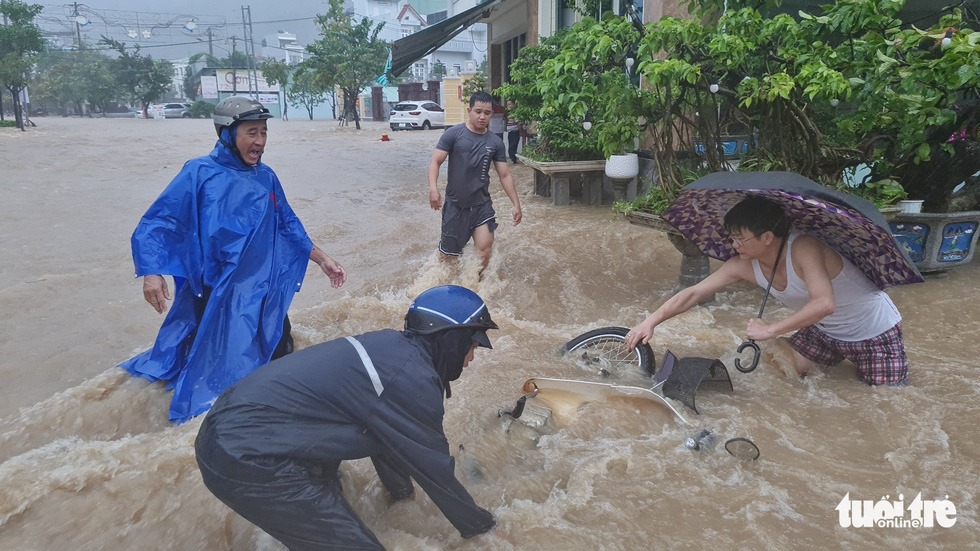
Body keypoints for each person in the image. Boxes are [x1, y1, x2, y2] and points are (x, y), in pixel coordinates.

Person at [195, 285, 503, 550]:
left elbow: (388, 439)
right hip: (246, 455)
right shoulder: (410, 379)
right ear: (451, 341)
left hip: (235, 428)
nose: (471, 359)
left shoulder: (389, 351)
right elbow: (436, 473)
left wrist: (402, 498)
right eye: (472, 346)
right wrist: (488, 531)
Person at [121, 96, 347, 423]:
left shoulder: (266, 177)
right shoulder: (199, 173)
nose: (260, 142)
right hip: (213, 289)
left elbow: (287, 223)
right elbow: (162, 221)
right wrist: (152, 272)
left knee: (278, 348)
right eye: (252, 132)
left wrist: (322, 259)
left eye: (264, 132)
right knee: (205, 363)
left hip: (259, 288)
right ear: (228, 134)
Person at [625, 195, 909, 386]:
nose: (734, 244)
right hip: (824, 332)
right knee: (787, 379)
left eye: (740, 237)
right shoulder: (743, 264)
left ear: (767, 237)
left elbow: (824, 303)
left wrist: (770, 330)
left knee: (883, 400)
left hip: (874, 333)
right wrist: (650, 321)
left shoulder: (804, 247)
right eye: (731, 237)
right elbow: (694, 293)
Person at [427, 91, 523, 266]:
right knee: (448, 259)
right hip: (455, 206)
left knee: (484, 251)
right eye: (478, 111)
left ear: (491, 115)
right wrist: (433, 189)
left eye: (487, 113)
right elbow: (436, 161)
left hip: (481, 206)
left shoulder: (495, 142)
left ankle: (477, 286)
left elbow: (504, 174)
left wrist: (516, 204)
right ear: (469, 110)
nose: (482, 117)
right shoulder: (453, 134)